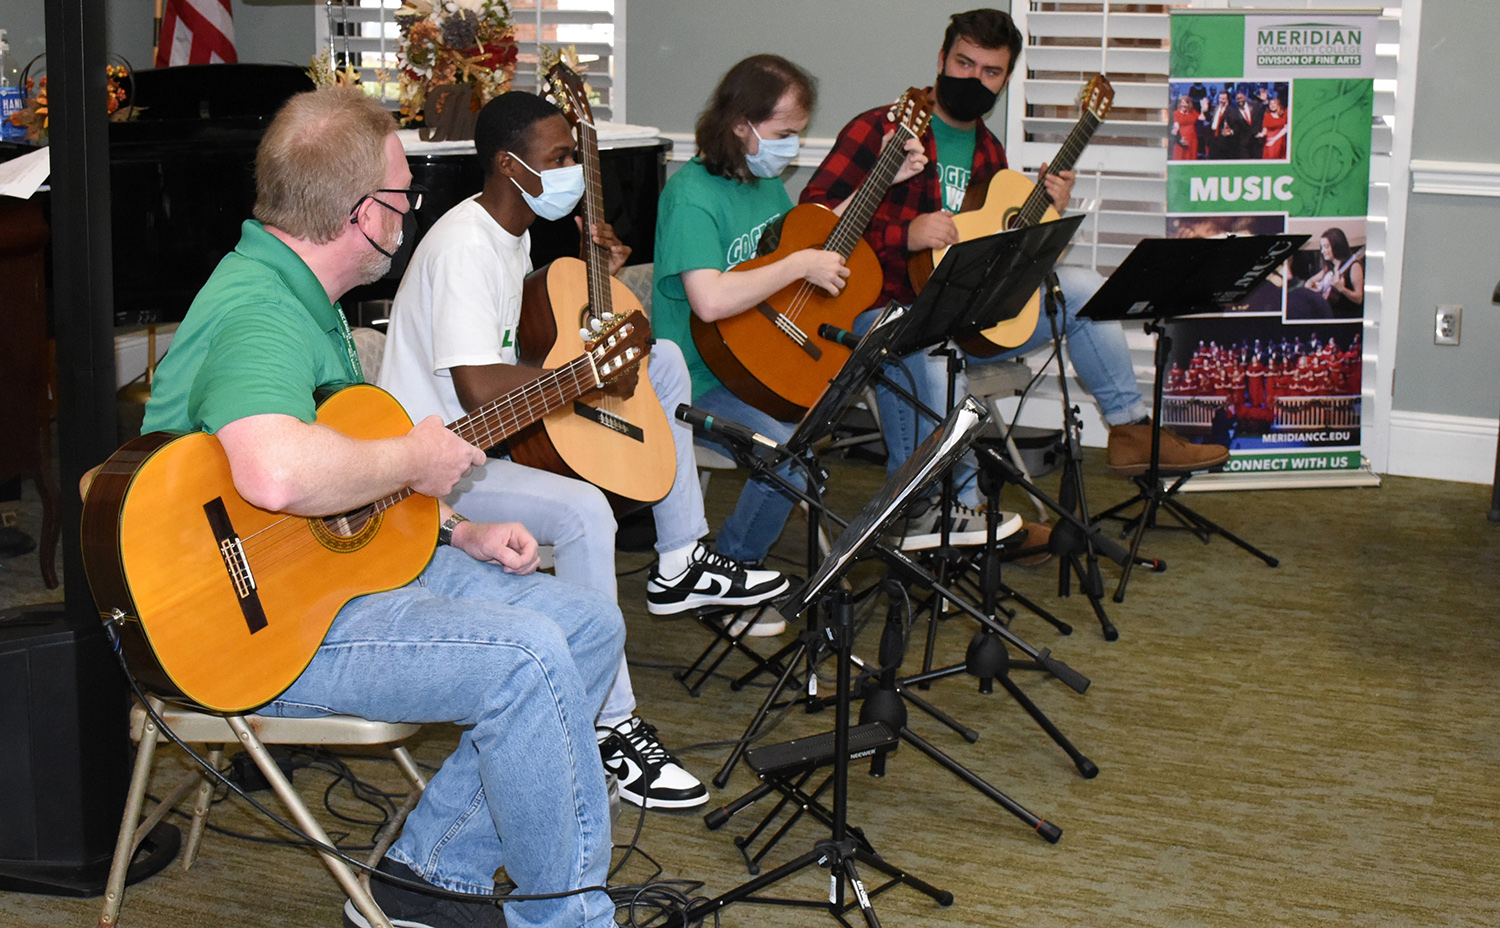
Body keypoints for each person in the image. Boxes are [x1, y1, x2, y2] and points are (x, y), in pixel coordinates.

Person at [137, 87, 621, 928]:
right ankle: (572, 920)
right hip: (248, 625)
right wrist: (417, 456)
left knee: (586, 626)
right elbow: (276, 475)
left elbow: (339, 466)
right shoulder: (261, 310)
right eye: (403, 195)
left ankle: (429, 879)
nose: (409, 213)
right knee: (526, 656)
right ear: (363, 214)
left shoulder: (299, 294)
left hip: (319, 581)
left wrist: (454, 527)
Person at [379, 91, 792, 812]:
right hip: (437, 474)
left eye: (574, 156)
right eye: (561, 159)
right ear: (510, 167)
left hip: (488, 445)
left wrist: (590, 276)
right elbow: (479, 388)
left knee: (659, 360)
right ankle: (609, 725)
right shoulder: (466, 247)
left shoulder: (515, 235)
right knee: (582, 511)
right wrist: (586, 381)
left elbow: (536, 339)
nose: (573, 169)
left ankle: (679, 558)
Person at [799, 8, 1229, 525]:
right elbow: (815, 218)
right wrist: (904, 235)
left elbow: (997, 254)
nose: (973, 78)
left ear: (1005, 78)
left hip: (965, 318)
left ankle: (1131, 430)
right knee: (935, 352)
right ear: (941, 59)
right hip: (884, 315)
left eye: (990, 71)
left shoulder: (990, 152)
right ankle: (957, 509)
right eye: (964, 62)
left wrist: (1046, 213)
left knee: (1083, 288)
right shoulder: (882, 128)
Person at [651, 54, 927, 563]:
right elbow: (710, 301)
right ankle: (734, 567)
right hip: (697, 376)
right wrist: (799, 264)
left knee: (808, 434)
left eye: (799, 132)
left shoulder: (761, 182)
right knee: (787, 455)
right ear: (741, 126)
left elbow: (813, 235)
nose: (793, 144)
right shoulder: (690, 196)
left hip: (755, 358)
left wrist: (880, 180)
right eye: (785, 131)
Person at [1287, 228, 1365, 320]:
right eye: (1322, 247)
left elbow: (1359, 298)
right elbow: (1310, 282)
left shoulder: (1354, 266)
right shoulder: (1329, 268)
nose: (1322, 251)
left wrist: (1342, 289)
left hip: (1345, 316)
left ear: (1337, 246)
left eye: (1326, 247)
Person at [1170, 93, 1200, 161]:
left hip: (1192, 139)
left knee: (1191, 157)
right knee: (1180, 156)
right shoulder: (1176, 113)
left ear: (1189, 104)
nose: (1183, 105)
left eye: (1185, 103)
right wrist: (1176, 134)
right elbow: (1176, 125)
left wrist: (1204, 109)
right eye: (1182, 103)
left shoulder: (1193, 112)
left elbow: (1202, 118)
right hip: (1181, 139)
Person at [1260, 94, 1288, 159]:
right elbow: (1265, 129)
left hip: (1281, 140)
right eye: (1270, 104)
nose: (1272, 105)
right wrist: (1261, 134)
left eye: (1274, 103)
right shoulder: (1267, 115)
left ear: (1278, 104)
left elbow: (1286, 127)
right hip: (1271, 141)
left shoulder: (1283, 115)